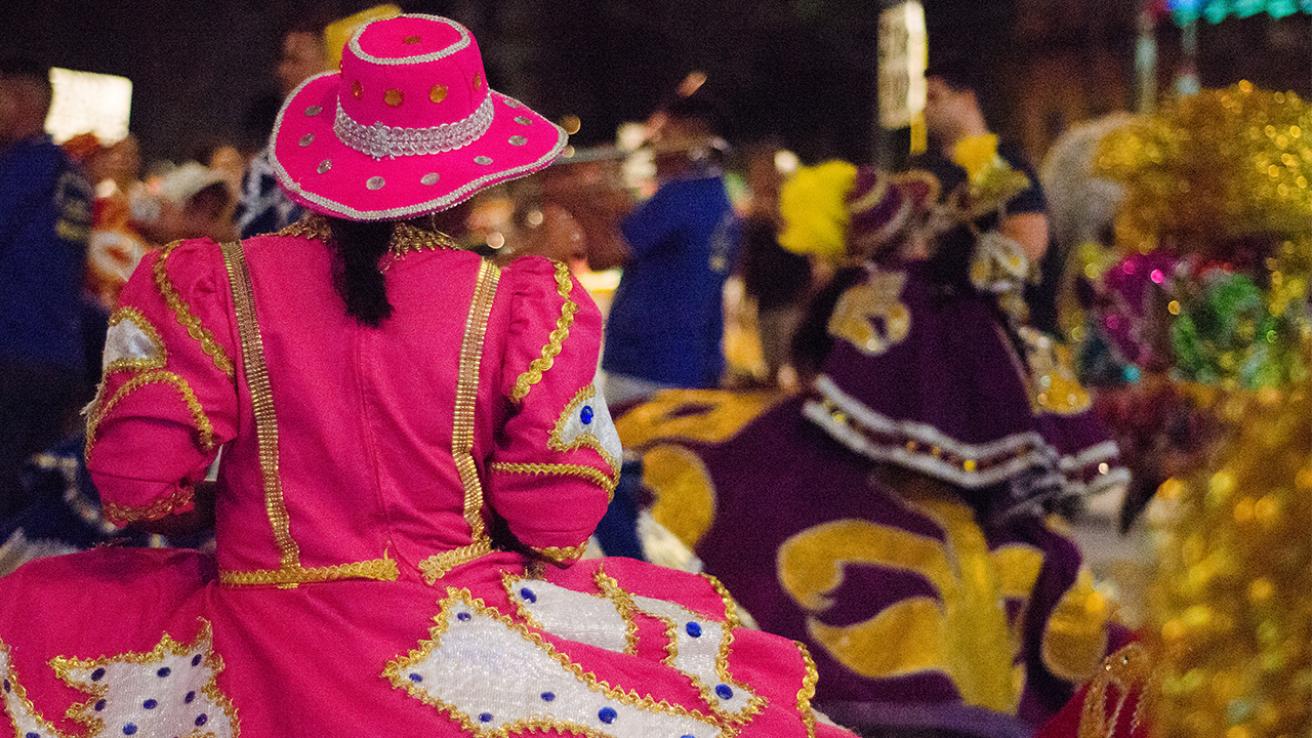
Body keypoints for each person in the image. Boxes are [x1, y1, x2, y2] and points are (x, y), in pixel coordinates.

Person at [0, 16, 854, 738]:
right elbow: (557, 516)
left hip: (250, 633)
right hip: (457, 630)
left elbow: (136, 486)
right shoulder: (523, 304)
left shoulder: (207, 286)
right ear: (470, 172)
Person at [610, 159, 1130, 736]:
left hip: (886, 473)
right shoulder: (944, 289)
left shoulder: (887, 291)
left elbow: (859, 395)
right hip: (956, 486)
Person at [593, 93, 741, 406]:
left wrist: (581, 193)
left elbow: (602, 256)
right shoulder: (718, 195)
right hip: (695, 363)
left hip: (647, 366)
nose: (655, 148)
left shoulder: (678, 196)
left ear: (695, 140)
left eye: (666, 136)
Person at [0, 57, 93, 520]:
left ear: (13, 100)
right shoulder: (72, 175)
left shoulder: (22, 169)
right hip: (58, 362)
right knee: (28, 501)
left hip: (13, 357)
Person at [911, 61, 1062, 334]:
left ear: (967, 99)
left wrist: (951, 265)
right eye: (921, 99)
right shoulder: (923, 174)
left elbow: (1028, 245)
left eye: (934, 96)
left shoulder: (1006, 163)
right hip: (937, 330)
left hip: (1001, 330)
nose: (924, 108)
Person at [233, 16, 331, 238]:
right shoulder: (265, 168)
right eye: (283, 60)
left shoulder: (360, 160)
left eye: (295, 60)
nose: (282, 71)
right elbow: (246, 244)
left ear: (331, 63)